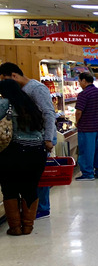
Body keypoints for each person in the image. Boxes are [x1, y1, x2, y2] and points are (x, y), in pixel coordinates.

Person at [0, 62, 57, 220]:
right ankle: (29, 215)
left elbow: (48, 113)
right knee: (31, 181)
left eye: (6, 79)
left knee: (37, 179)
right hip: (30, 142)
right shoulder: (21, 91)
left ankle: (42, 208)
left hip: (41, 138)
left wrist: (48, 138)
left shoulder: (36, 89)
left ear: (14, 75)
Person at [0, 79, 47, 235]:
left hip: (14, 152)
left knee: (10, 189)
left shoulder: (4, 103)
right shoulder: (30, 103)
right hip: (37, 152)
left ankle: (15, 228)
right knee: (30, 188)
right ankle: (28, 226)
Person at [74, 73, 98, 181]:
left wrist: (76, 122)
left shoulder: (83, 94)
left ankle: (88, 173)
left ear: (84, 81)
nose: (79, 84)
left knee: (86, 150)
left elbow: (79, 111)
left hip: (87, 127)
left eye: (79, 81)